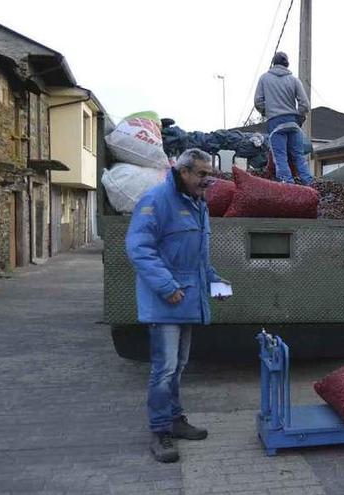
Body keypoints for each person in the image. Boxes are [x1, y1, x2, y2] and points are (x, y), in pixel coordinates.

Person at [126, 148, 231, 463]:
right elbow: (139, 248)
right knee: (164, 368)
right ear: (182, 172)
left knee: (179, 366)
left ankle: (174, 419)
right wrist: (166, 286)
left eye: (209, 173)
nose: (207, 180)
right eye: (201, 173)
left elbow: (198, 260)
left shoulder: (198, 205)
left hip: (185, 299)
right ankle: (160, 432)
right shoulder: (156, 200)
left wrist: (215, 282)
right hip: (165, 301)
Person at [254, 51, 314, 185]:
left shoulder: (264, 78)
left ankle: (288, 187)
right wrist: (298, 117)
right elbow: (305, 105)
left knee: (281, 158)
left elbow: (258, 102)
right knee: (298, 157)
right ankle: (311, 186)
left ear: (273, 63)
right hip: (293, 123)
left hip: (275, 124)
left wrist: (267, 111)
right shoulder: (294, 80)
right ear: (287, 64)